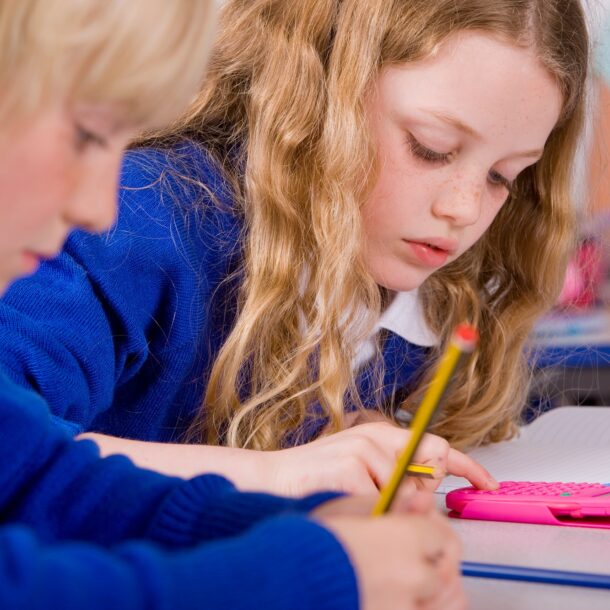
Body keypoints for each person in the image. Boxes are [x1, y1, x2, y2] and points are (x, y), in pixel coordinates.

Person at [0, 0, 588, 497]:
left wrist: (337, 442)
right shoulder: (137, 224)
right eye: (430, 148)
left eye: (504, 176)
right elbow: (13, 445)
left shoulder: (409, 292)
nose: (463, 209)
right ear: (315, 97)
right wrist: (275, 473)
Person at [0, 1, 465, 609]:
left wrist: (299, 522)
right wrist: (314, 572)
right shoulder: (146, 232)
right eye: (87, 134)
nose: (98, 208)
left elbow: (44, 481)